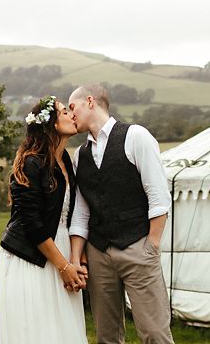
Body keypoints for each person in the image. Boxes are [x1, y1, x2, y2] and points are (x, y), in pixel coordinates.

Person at [68, 83, 174, 344]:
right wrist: (75, 259)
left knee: (154, 333)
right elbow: (81, 213)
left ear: (90, 101)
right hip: (98, 252)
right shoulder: (80, 155)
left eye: (73, 107)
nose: (71, 114)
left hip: (138, 246)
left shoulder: (135, 136)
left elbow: (159, 196)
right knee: (107, 336)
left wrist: (152, 246)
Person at [0, 96, 88, 344]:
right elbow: (31, 224)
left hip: (62, 249)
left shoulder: (66, 160)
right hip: (31, 257)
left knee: (64, 327)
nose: (71, 114)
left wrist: (76, 260)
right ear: (52, 123)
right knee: (38, 329)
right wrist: (64, 267)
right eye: (64, 111)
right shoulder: (30, 163)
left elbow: (72, 213)